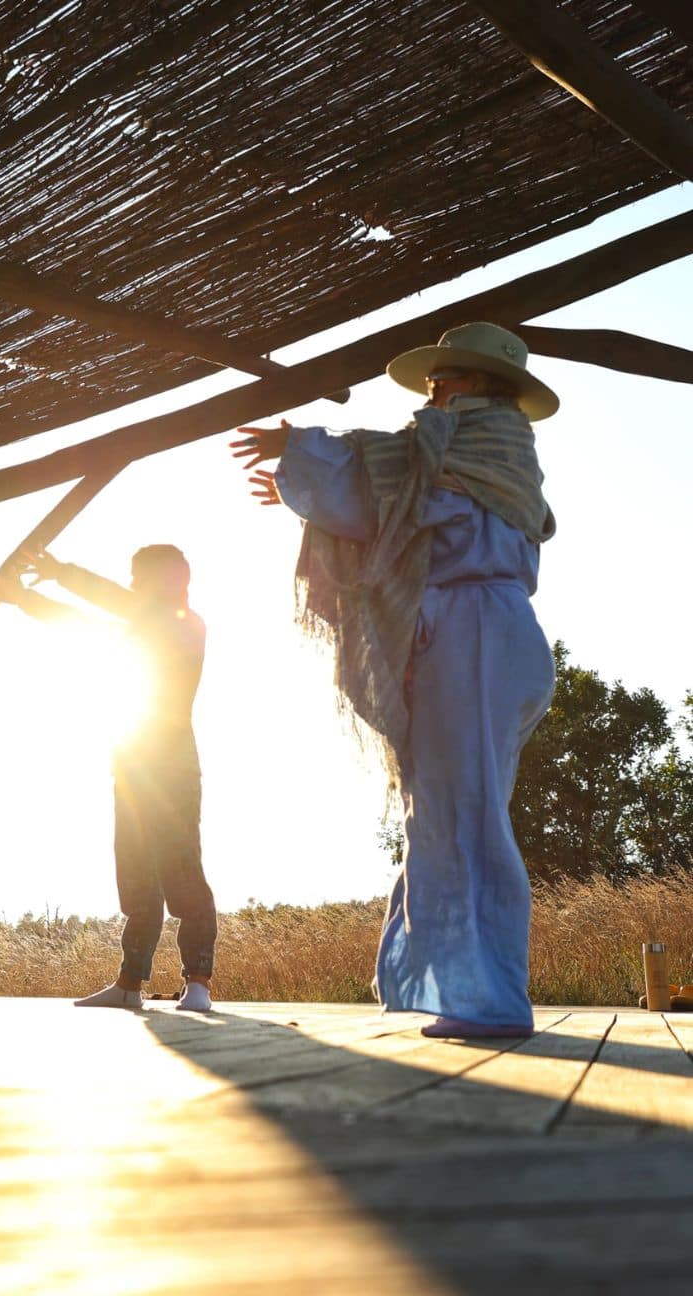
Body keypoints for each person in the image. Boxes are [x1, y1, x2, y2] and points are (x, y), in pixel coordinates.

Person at [231, 322, 558, 1039]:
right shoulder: (447, 452)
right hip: (477, 635)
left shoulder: (481, 443)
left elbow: (385, 485)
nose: (434, 390)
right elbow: (389, 497)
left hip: (477, 631)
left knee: (460, 810)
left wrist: (304, 453)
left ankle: (489, 1001)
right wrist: (308, 480)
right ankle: (463, 989)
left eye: (446, 378)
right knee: (444, 805)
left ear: (479, 384)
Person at [0, 545, 218, 1012]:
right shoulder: (137, 628)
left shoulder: (185, 623)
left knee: (181, 871)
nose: (133, 585)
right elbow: (80, 625)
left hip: (172, 769)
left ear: (173, 580)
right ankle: (131, 983)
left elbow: (115, 601)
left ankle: (198, 982)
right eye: (133, 577)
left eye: (140, 577)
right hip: (132, 766)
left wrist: (60, 571)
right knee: (136, 875)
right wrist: (24, 599)